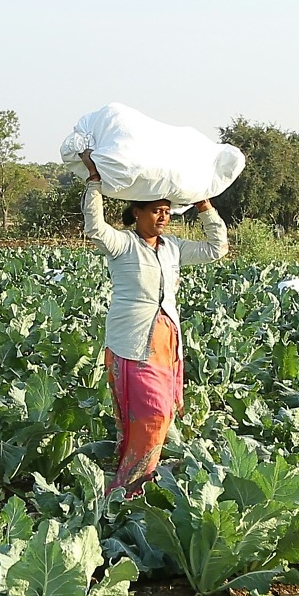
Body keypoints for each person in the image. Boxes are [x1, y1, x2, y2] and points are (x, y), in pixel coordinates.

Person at [79, 149, 228, 496]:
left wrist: (204, 205)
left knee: (158, 414)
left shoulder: (173, 247)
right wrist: (94, 180)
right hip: (133, 342)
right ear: (137, 212)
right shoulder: (123, 244)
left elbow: (216, 248)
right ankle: (130, 486)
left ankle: (135, 471)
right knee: (152, 413)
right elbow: (94, 226)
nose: (163, 217)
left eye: (167, 211)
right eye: (156, 211)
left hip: (166, 343)